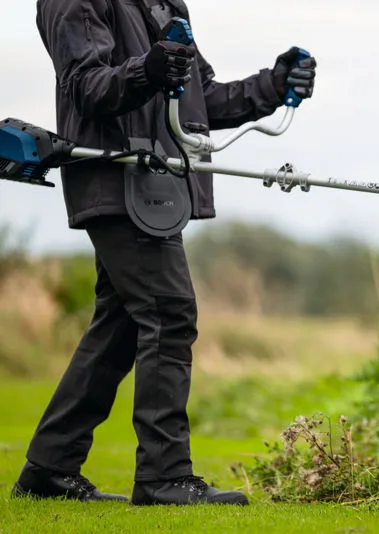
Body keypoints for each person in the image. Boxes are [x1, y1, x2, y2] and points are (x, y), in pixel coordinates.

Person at [11, 0, 316, 506]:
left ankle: (49, 469)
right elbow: (87, 87)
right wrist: (149, 68)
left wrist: (273, 85)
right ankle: (164, 477)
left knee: (121, 328)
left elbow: (201, 99)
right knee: (169, 313)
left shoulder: (164, 3)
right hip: (115, 181)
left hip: (159, 188)